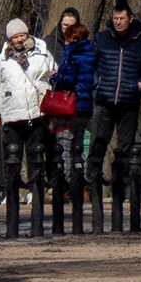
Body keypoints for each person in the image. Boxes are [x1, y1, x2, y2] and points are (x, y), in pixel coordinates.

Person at [90, 0, 141, 196]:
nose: (118, 22)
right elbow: (92, 64)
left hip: (128, 100)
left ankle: (120, 188)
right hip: (105, 98)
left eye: (122, 19)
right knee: (98, 144)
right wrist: (97, 83)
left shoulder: (139, 41)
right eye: (115, 19)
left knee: (123, 148)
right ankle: (93, 186)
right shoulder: (102, 39)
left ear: (130, 19)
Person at [0, 17, 57, 208]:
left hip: (37, 112)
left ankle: (35, 190)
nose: (19, 40)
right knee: (13, 156)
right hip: (12, 113)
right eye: (15, 37)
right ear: (10, 39)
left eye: (22, 35)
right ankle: (12, 192)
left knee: (35, 154)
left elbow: (54, 73)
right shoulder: (2, 59)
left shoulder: (42, 51)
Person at [50, 10, 97, 192]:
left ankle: (67, 184)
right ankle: (83, 182)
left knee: (65, 145)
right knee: (78, 146)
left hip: (70, 107)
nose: (66, 41)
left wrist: (54, 77)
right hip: (85, 106)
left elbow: (67, 79)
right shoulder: (90, 54)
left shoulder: (73, 55)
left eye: (68, 39)